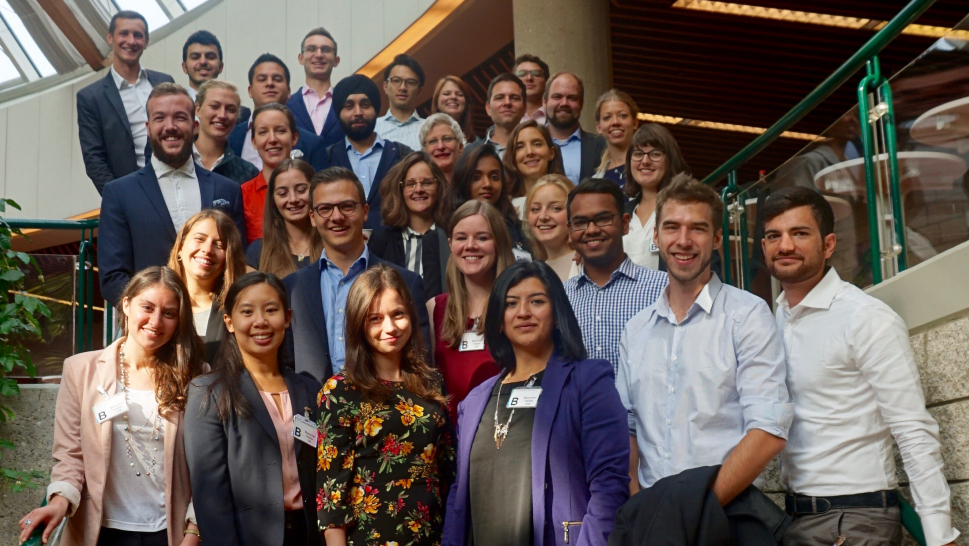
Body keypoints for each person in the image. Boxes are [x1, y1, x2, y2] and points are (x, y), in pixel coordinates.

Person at [761, 186, 960, 546]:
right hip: (794, 519)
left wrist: (938, 534)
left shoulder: (864, 317)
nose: (785, 245)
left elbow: (912, 428)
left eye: (800, 233)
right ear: (764, 247)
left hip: (853, 521)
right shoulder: (774, 319)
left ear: (829, 244)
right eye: (774, 236)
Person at [618, 175, 793, 503]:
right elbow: (626, 427)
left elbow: (768, 430)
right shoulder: (635, 330)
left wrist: (700, 508)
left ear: (715, 239)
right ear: (656, 236)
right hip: (650, 517)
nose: (683, 240)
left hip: (722, 512)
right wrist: (636, 499)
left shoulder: (747, 315)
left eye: (697, 229)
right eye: (671, 227)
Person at [441, 260, 630, 546]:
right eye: (511, 303)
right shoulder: (475, 401)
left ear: (556, 314)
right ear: (499, 320)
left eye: (537, 301)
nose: (523, 313)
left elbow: (610, 486)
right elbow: (459, 494)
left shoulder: (587, 382)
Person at [18, 266, 205, 546]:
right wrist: (58, 501)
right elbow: (70, 455)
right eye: (147, 307)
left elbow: (207, 466)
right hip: (99, 530)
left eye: (168, 313)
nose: (156, 321)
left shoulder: (197, 376)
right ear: (127, 305)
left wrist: (193, 532)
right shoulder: (81, 370)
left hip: (169, 532)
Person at [316, 265, 455, 546]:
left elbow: (447, 471)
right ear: (358, 325)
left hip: (434, 536)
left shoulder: (431, 382)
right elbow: (331, 496)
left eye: (398, 314)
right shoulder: (340, 391)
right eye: (375, 319)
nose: (390, 328)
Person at [184, 272, 321, 546]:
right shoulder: (209, 392)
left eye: (271, 310)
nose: (260, 321)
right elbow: (210, 494)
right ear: (229, 322)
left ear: (288, 318)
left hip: (308, 535)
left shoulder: (308, 388)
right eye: (247, 311)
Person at [98, 83, 245, 309]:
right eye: (160, 118)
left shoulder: (228, 189)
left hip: (215, 324)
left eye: (180, 118)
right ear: (148, 128)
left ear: (195, 126)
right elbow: (112, 278)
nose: (170, 126)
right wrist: (157, 311)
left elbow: (235, 263)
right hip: (151, 328)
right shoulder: (119, 193)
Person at [281, 167, 429, 383]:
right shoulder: (292, 287)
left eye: (347, 206)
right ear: (312, 217)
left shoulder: (407, 282)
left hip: (387, 410)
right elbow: (286, 366)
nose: (337, 217)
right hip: (314, 412)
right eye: (325, 209)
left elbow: (420, 365)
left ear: (365, 211)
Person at [563, 177, 667, 374]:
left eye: (603, 219)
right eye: (581, 222)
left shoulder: (663, 288)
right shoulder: (560, 297)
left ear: (625, 223)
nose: (592, 230)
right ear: (570, 231)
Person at [427, 200, 514, 421]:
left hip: (504, 437)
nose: (471, 245)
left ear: (499, 244)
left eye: (482, 237)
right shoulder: (434, 308)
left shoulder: (515, 306)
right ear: (450, 244)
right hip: (450, 442)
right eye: (461, 237)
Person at [77, 11, 175, 195]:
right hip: (128, 192)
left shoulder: (164, 82)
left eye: (138, 35)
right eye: (124, 34)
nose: (131, 41)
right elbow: (93, 158)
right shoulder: (90, 97)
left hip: (172, 185)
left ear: (146, 42)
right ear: (110, 38)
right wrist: (119, 198)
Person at [326, 74, 413, 229]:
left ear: (376, 109)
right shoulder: (327, 158)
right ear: (339, 112)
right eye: (349, 106)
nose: (358, 112)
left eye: (365, 105)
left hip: (395, 249)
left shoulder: (402, 156)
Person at [168, 209, 247, 362]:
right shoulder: (156, 303)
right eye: (199, 239)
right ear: (180, 248)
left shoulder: (238, 310)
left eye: (219, 245)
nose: (207, 250)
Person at [369, 151, 450, 298]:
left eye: (427, 182)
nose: (418, 190)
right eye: (410, 184)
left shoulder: (452, 236)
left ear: (439, 187)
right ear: (400, 190)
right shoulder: (382, 241)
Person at [227, 54, 327, 171]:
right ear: (250, 91)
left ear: (289, 91)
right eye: (262, 79)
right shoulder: (229, 137)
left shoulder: (313, 144)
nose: (270, 83)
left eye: (277, 79)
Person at [623, 123, 691, 270]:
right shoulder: (620, 212)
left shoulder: (687, 209)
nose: (645, 161)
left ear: (670, 160)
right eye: (638, 154)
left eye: (655, 154)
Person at [447, 142, 530, 255]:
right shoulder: (439, 236)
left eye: (494, 177)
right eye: (476, 177)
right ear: (462, 181)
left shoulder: (522, 231)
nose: (487, 184)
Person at [246, 159, 323, 277]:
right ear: (273, 200)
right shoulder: (258, 252)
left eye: (301, 190)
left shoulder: (332, 245)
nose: (293, 199)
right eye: (283, 193)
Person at [240, 103, 300, 243]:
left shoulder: (313, 190)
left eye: (280, 131)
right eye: (263, 132)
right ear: (254, 142)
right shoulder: (243, 195)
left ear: (294, 137)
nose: (272, 139)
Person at [543, 71, 607, 184]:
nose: (564, 103)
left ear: (581, 104)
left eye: (572, 98)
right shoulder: (529, 146)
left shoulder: (602, 146)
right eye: (557, 97)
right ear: (545, 102)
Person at [287, 27, 345, 149]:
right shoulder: (286, 105)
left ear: (336, 60)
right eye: (311, 49)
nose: (319, 55)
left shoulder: (346, 104)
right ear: (300, 58)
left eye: (326, 50)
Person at [193, 80, 259, 183]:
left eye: (231, 110)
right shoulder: (177, 161)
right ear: (198, 109)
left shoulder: (248, 173)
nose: (222, 115)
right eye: (214, 106)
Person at [503, 119, 565, 217]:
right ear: (513, 158)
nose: (529, 152)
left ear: (551, 153)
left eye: (537, 144)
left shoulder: (570, 198)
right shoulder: (504, 206)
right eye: (520, 147)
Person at [523, 174, 577, 282]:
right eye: (535, 209)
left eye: (555, 208)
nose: (543, 216)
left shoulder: (588, 263)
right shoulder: (533, 272)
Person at [464, 73, 526, 157]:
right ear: (488, 108)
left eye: (514, 98)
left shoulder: (537, 149)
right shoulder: (470, 153)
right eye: (499, 98)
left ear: (524, 108)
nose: (507, 102)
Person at [374, 54, 426, 150]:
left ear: (419, 91)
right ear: (385, 86)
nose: (403, 88)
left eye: (410, 82)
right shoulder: (373, 128)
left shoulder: (430, 128)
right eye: (396, 80)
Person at [593, 89, 639, 187]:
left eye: (622, 116)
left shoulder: (649, 168)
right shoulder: (595, 181)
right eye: (607, 117)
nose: (615, 122)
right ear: (599, 127)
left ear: (634, 123)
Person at [419, 112, 465, 184]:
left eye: (447, 139)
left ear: (460, 148)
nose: (440, 146)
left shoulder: (472, 184)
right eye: (433, 141)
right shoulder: (419, 190)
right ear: (424, 151)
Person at [430, 75, 477, 143]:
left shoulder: (476, 141)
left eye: (459, 94)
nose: (453, 97)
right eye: (447, 94)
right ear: (436, 102)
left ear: (466, 104)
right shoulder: (425, 134)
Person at [181, 30, 224, 101]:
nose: (203, 62)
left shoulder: (239, 111)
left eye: (210, 57)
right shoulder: (171, 107)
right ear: (184, 67)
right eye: (195, 57)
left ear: (221, 66)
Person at [515, 53, 550, 124]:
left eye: (536, 74)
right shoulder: (505, 120)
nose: (529, 78)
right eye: (522, 74)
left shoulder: (556, 119)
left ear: (546, 82)